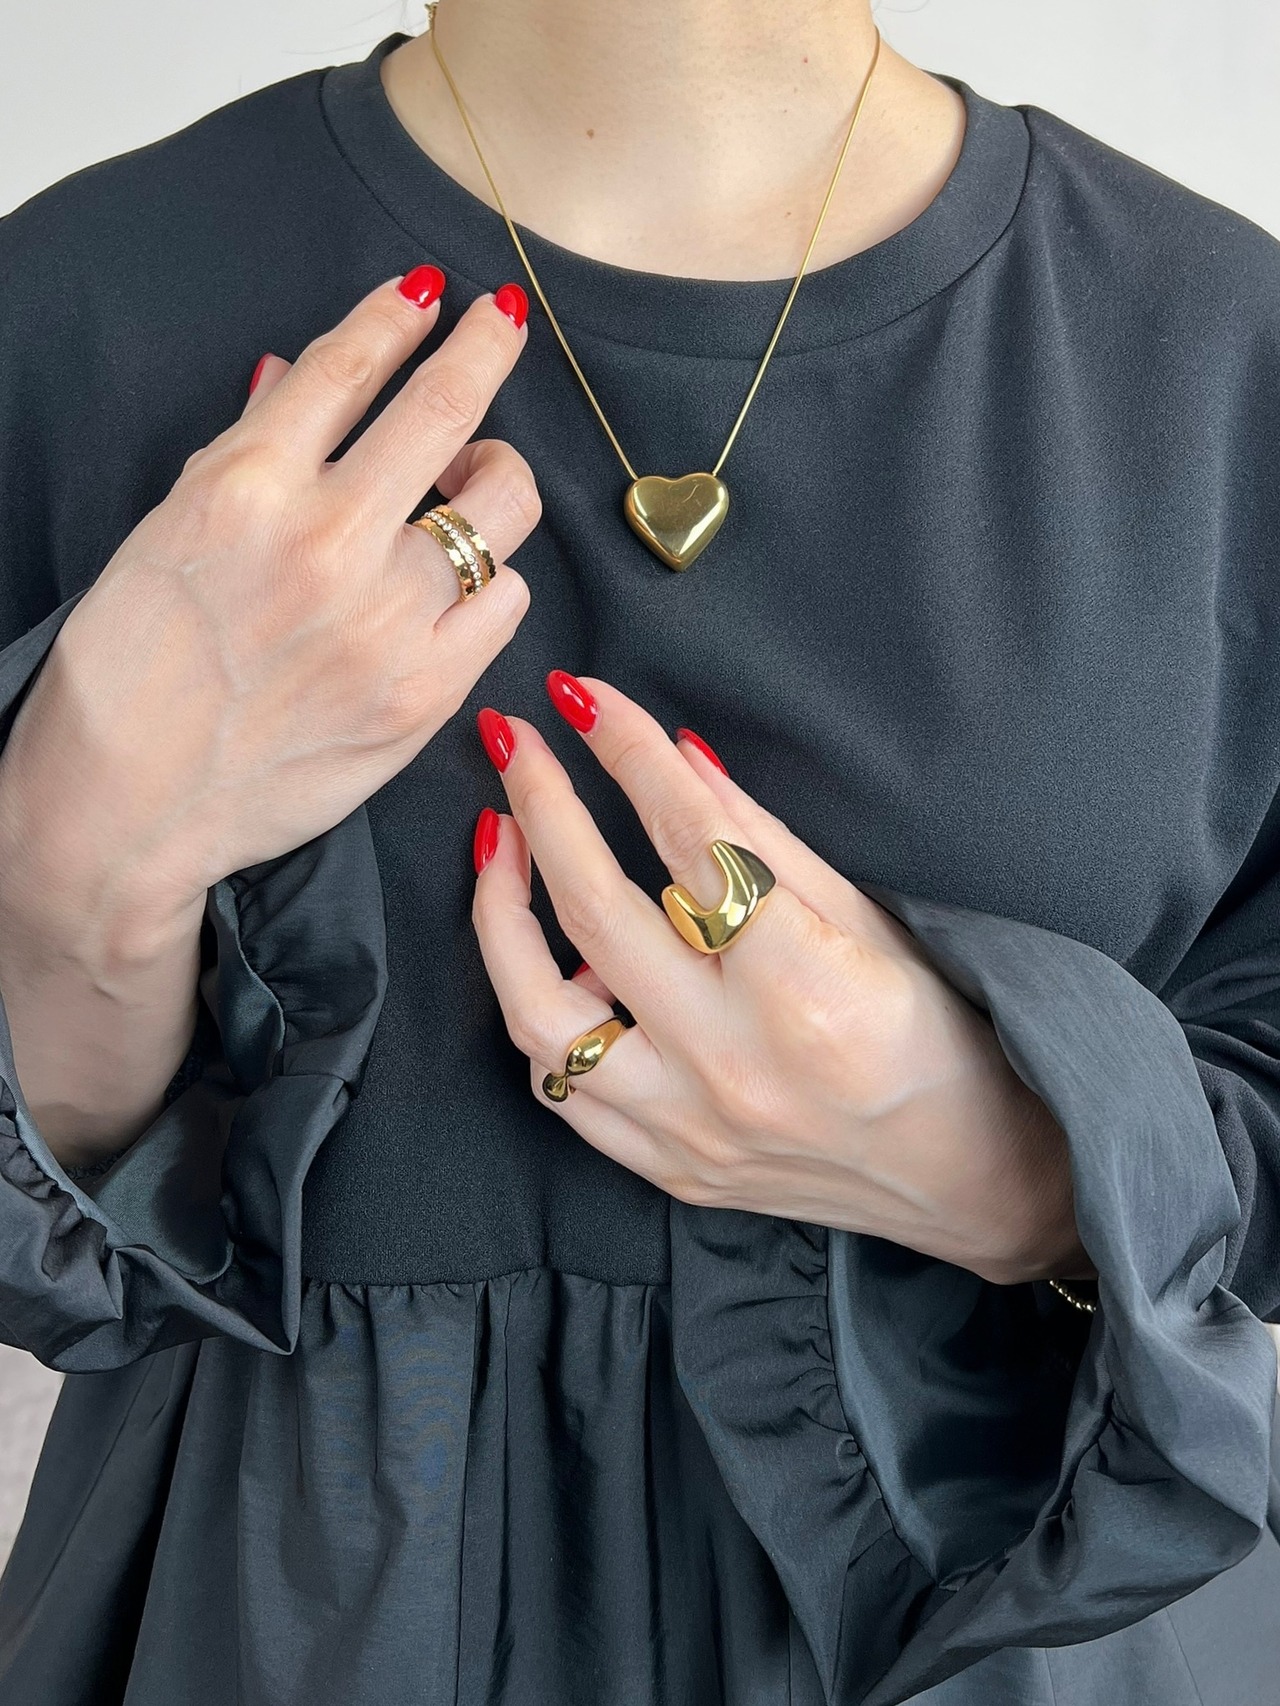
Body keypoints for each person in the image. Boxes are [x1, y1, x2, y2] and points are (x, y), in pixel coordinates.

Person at [0, 1, 1277, 1700]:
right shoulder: (77, 306)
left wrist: (1025, 1167)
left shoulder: (1222, 358)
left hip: (993, 1634)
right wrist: (73, 843)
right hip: (285, 1627)